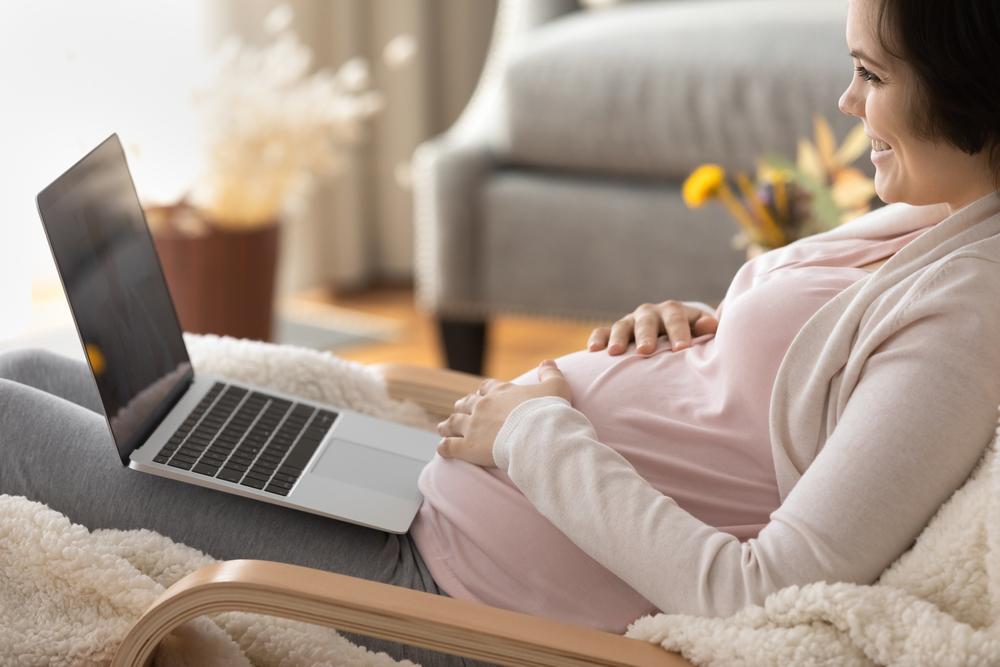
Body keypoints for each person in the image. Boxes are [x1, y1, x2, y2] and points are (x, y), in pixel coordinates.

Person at [1, 0, 997, 663]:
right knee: (26, 363)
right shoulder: (936, 218)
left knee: (7, 418)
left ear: (970, 93)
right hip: (427, 490)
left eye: (871, 74)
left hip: (456, 586)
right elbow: (785, 402)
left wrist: (529, 431)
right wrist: (706, 333)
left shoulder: (968, 313)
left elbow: (761, 589)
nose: (844, 102)